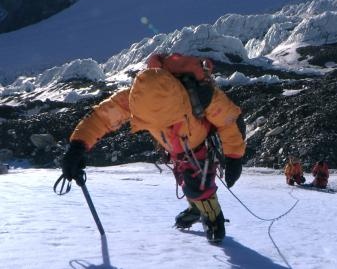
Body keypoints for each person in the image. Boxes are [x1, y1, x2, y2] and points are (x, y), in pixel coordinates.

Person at [61, 53, 246, 243]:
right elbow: (101, 118)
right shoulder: (137, 96)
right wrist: (78, 146)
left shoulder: (202, 95)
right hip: (176, 148)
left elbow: (229, 122)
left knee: (200, 187)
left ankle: (214, 220)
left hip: (198, 147)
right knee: (186, 180)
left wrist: (234, 157)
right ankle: (197, 208)